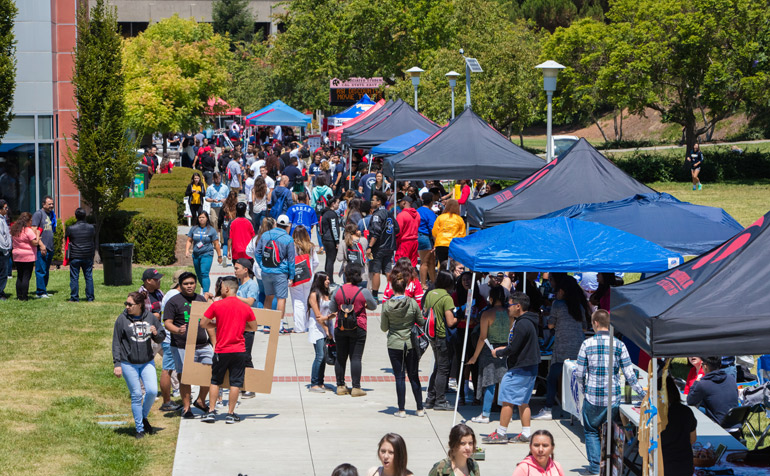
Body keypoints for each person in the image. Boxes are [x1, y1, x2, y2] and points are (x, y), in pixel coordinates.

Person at [575, 309, 645, 475]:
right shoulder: (620, 345)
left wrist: (584, 387)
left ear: (596, 323)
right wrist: (643, 394)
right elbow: (629, 374)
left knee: (591, 431)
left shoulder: (587, 344)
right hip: (612, 397)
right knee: (612, 431)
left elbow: (579, 373)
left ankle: (594, 466)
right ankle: (611, 466)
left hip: (592, 396)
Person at [482, 292, 540, 444]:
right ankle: (526, 433)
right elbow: (519, 345)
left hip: (520, 369)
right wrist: (505, 348)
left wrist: (499, 352)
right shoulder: (529, 321)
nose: (508, 308)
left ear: (518, 306)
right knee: (523, 401)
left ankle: (501, 433)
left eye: (510, 305)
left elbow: (513, 348)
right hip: (530, 367)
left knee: (507, 401)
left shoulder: (522, 324)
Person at [200, 277, 258, 424]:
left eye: (221, 288)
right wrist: (238, 327)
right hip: (239, 350)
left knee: (215, 381)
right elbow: (253, 327)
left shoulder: (217, 305)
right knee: (235, 383)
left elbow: (203, 324)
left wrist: (217, 324)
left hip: (222, 349)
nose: (220, 290)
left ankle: (211, 411)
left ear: (226, 288)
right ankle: (231, 413)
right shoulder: (245, 307)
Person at [112, 291, 166, 439]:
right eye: (126, 304)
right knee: (136, 395)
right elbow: (116, 342)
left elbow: (162, 336)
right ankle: (139, 429)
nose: (127, 306)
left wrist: (155, 333)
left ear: (140, 305)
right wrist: (117, 363)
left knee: (152, 391)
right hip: (128, 363)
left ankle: (142, 416)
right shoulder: (122, 319)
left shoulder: (150, 318)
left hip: (147, 361)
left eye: (130, 304)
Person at [534, 274, 589, 420]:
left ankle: (548, 408)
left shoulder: (557, 305)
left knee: (552, 378)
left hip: (562, 346)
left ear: (562, 291)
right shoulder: (579, 306)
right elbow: (584, 327)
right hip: (578, 346)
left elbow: (551, 324)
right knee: (577, 380)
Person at [164, 272, 215, 419]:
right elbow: (167, 322)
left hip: (202, 344)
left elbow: (209, 322)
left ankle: (200, 400)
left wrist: (214, 343)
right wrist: (177, 330)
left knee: (209, 373)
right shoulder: (173, 301)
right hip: (182, 345)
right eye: (186, 284)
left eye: (192, 283)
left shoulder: (200, 299)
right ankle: (187, 408)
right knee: (185, 377)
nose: (189, 286)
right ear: (180, 285)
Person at [381, 269, 425, 418]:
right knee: (414, 376)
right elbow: (421, 321)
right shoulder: (412, 303)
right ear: (405, 287)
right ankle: (419, 408)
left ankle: (401, 409)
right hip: (411, 343)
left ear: (392, 287)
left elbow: (384, 327)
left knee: (399, 377)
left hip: (394, 343)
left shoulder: (387, 305)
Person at [329, 265, 377, 397]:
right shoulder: (363, 291)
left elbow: (332, 308)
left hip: (341, 326)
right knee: (356, 358)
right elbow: (373, 306)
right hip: (359, 326)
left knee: (340, 357)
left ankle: (340, 386)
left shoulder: (337, 291)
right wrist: (363, 304)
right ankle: (356, 387)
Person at [467, 286, 511, 424]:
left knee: (489, 383)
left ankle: (485, 414)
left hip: (490, 349)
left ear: (491, 299)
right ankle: (507, 414)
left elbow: (482, 337)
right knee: (505, 383)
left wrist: (474, 356)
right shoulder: (510, 313)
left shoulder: (487, 314)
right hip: (506, 348)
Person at [423, 270, 458, 411]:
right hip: (442, 335)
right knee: (443, 369)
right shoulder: (447, 298)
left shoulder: (431, 293)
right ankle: (440, 400)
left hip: (431, 335)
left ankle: (430, 398)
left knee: (437, 367)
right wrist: (461, 318)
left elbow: (425, 311)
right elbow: (450, 322)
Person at [255, 214, 295, 329]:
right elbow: (291, 261)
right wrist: (291, 276)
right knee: (281, 298)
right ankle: (279, 325)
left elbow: (257, 253)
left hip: (266, 271)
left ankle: (267, 325)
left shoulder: (265, 235)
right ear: (287, 226)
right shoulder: (288, 239)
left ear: (276, 224)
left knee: (268, 297)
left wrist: (262, 265)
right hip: (280, 272)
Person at [658, 373, 698, 476]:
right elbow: (692, 439)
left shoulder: (656, 414)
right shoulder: (686, 411)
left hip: (663, 467)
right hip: (685, 466)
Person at [158, 270, 186, 412]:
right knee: (167, 370)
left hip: (169, 337)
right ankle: (167, 402)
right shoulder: (175, 296)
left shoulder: (169, 294)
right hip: (171, 338)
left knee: (171, 369)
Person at [687, 355, 739, 426]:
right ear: (720, 365)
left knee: (691, 410)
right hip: (736, 423)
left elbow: (690, 401)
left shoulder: (703, 384)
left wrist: (696, 382)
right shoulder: (731, 379)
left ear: (705, 366)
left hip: (719, 425)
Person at [367, 191, 400, 300]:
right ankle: (396, 292)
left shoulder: (377, 215)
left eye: (373, 200)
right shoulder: (388, 213)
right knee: (388, 271)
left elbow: (376, 232)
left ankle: (375, 297)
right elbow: (397, 228)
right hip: (389, 247)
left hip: (378, 247)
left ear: (379, 202)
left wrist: (370, 247)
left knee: (375, 271)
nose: (371, 201)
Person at [307, 272, 334, 393]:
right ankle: (314, 383)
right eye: (326, 279)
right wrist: (327, 327)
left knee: (323, 356)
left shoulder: (326, 294)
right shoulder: (314, 295)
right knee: (320, 356)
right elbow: (318, 316)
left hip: (326, 327)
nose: (328, 281)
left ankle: (320, 382)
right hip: (317, 329)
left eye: (328, 279)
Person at [185, 211, 222, 294]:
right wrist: (187, 250)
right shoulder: (194, 228)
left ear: (207, 218)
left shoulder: (211, 230)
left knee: (204, 273)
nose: (201, 219)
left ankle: (206, 293)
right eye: (200, 217)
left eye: (203, 217)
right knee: (199, 275)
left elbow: (216, 244)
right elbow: (189, 240)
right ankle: (204, 286)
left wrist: (219, 256)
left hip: (207, 254)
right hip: (196, 255)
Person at [290, 226, 319, 333]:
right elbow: (316, 262)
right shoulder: (310, 246)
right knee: (307, 300)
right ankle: (307, 324)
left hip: (296, 277)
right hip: (308, 276)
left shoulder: (292, 246)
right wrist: (310, 269)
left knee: (297, 301)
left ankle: (299, 326)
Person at [65, 207, 96, 302]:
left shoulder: (71, 228)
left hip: (75, 255)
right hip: (87, 255)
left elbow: (66, 238)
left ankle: (74, 297)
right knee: (89, 276)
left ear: (76, 216)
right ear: (85, 216)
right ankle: (90, 297)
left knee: (74, 277)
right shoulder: (91, 227)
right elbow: (92, 238)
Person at [10, 212, 39, 300]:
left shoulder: (15, 230)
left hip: (17, 255)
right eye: (30, 220)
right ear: (27, 221)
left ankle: (19, 296)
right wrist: (37, 234)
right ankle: (25, 296)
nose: (31, 222)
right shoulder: (28, 231)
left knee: (20, 275)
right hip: (28, 256)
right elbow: (35, 243)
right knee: (26, 276)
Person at [31, 195, 55, 298]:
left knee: (46, 270)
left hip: (49, 247)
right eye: (49, 204)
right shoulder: (38, 214)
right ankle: (40, 292)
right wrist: (41, 245)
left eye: (52, 204)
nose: (51, 206)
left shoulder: (50, 214)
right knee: (40, 270)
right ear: (43, 204)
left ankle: (44, 289)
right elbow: (34, 230)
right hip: (42, 248)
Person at [432, 199, 465, 264]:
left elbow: (434, 232)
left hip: (440, 244)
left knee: (442, 264)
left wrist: (436, 243)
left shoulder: (440, 217)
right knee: (452, 266)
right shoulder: (459, 219)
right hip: (453, 245)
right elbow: (462, 235)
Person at [416, 192, 437, 287]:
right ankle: (423, 283)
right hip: (425, 237)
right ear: (431, 202)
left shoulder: (418, 210)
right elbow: (433, 229)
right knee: (425, 262)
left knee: (431, 261)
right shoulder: (430, 213)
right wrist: (436, 243)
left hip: (418, 236)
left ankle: (434, 282)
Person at [320, 196, 341, 281]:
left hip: (325, 238)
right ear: (333, 204)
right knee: (331, 260)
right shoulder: (331, 214)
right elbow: (334, 228)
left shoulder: (326, 213)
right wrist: (337, 241)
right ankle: (330, 279)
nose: (338, 205)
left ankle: (326, 277)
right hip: (330, 239)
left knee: (328, 259)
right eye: (337, 203)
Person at [395, 195, 420, 267]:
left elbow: (398, 231)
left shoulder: (401, 215)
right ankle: (412, 278)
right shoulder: (417, 214)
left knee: (401, 265)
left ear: (404, 203)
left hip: (404, 243)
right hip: (414, 241)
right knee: (412, 265)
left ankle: (403, 278)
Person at [220, 190, 238, 267]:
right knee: (233, 243)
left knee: (225, 243)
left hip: (225, 225)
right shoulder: (237, 206)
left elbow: (220, 216)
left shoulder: (225, 205)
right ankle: (234, 258)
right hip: (234, 225)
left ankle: (224, 256)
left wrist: (218, 226)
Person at [0, 199, 9, 299]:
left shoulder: (3, 219)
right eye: (5, 208)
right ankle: (0, 293)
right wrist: (5, 249)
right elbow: (1, 237)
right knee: (3, 273)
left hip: (3, 250)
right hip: (2, 251)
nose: (7, 210)